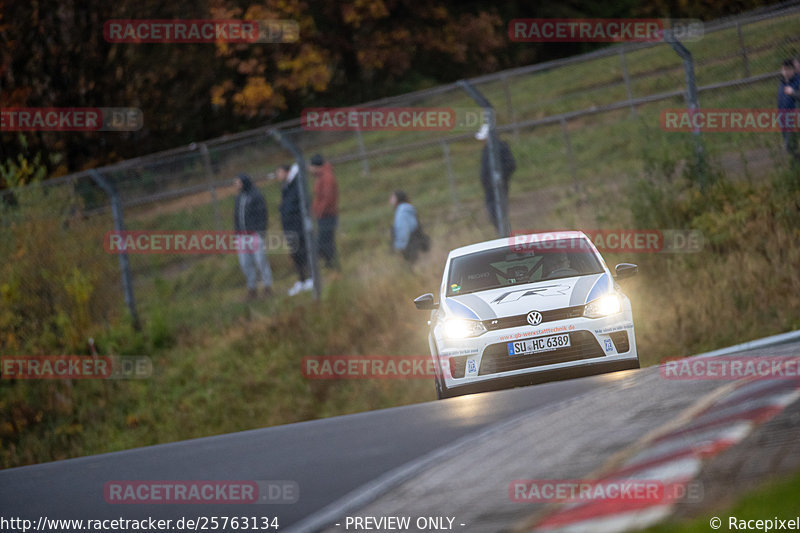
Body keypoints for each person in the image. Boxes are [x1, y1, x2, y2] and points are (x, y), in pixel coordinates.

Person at [233, 173, 273, 300]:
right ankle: (252, 289)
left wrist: (260, 231)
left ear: (244, 182)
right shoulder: (239, 197)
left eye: (238, 182)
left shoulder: (255, 195)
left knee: (261, 261)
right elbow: (236, 217)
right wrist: (237, 233)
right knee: (245, 263)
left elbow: (263, 214)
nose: (236, 185)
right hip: (241, 236)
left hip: (254, 235)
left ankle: (267, 287)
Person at [277, 164, 313, 296]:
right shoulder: (286, 186)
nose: (278, 175)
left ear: (286, 172)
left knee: (303, 252)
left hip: (298, 226)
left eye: (279, 172)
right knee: (295, 254)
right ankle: (302, 279)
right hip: (289, 227)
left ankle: (310, 278)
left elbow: (300, 204)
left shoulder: (297, 184)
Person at [476, 123, 516, 233]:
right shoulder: (487, 149)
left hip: (498, 187)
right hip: (489, 188)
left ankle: (505, 235)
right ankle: (502, 234)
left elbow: (511, 165)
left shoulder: (500, 148)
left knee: (498, 213)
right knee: (493, 213)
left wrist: (499, 177)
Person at [309, 154, 340, 270]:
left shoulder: (327, 177)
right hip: (323, 215)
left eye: (310, 166)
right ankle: (330, 265)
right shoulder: (320, 177)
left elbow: (327, 198)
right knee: (326, 241)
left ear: (315, 166)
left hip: (327, 215)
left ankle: (330, 264)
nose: (309, 169)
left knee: (324, 241)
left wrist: (319, 211)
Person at [390, 190, 428, 264]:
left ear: (397, 198)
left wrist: (400, 246)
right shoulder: (406, 209)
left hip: (409, 244)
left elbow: (403, 229)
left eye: (392, 197)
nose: (390, 200)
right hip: (413, 242)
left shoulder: (402, 211)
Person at [778, 59, 800, 161]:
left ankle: (795, 164)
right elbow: (780, 102)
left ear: (793, 70)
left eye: (789, 69)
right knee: (788, 145)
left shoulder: (797, 81)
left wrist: (793, 92)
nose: (786, 72)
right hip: (784, 119)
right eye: (784, 69)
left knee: (792, 144)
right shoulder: (781, 84)